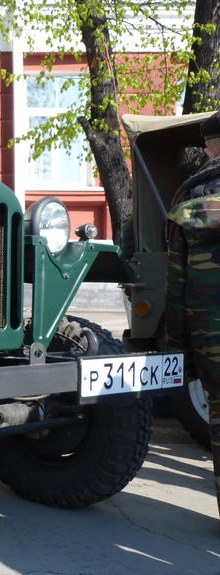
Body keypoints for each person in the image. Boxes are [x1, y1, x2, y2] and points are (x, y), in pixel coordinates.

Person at [165, 109, 220, 517]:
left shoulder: (189, 197)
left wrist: (177, 347)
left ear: (210, 148)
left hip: (209, 334)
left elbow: (177, 282)